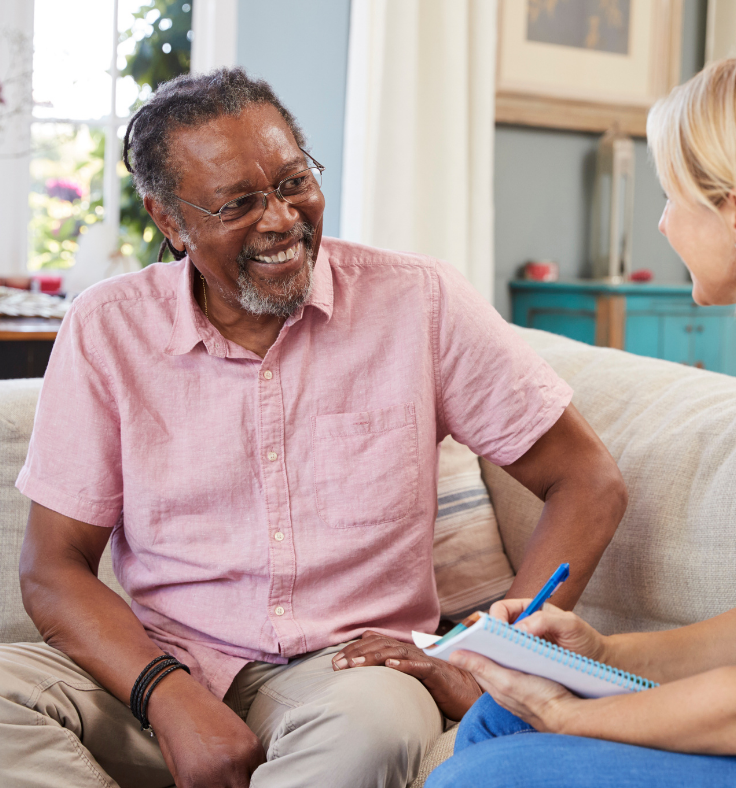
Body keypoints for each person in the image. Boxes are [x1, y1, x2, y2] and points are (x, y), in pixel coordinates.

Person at [0, 69, 627, 788]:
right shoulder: (107, 328)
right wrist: (167, 697)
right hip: (159, 666)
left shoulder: (418, 302)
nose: (280, 219)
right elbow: (51, 569)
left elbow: (588, 481)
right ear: (169, 221)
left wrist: (485, 656)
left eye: (293, 181)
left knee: (375, 729)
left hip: (348, 676)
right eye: (238, 203)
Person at [426, 43, 736, 788]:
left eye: (674, 197)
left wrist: (573, 715)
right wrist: (602, 656)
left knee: (476, 779)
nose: (664, 226)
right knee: (502, 719)